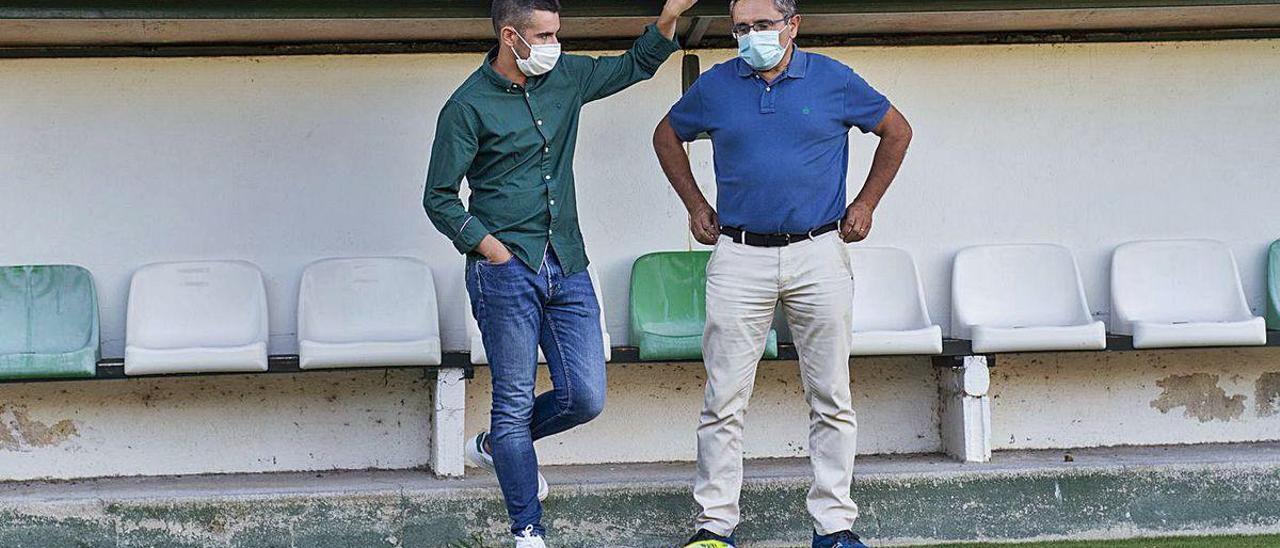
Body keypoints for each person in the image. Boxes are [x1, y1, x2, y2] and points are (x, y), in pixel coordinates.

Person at [422, 0, 697, 546]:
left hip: (567, 261)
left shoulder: (566, 76)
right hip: (505, 271)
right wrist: (491, 248)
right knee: (514, 401)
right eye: (544, 35)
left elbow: (633, 65)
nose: (555, 45)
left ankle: (501, 447)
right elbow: (439, 199)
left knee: (585, 396)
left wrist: (667, 18)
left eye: (557, 34)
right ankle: (528, 529)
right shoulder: (467, 105)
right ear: (509, 36)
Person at [652, 0, 913, 546]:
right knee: (723, 399)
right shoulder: (719, 85)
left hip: (818, 251)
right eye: (741, 27)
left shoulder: (833, 79)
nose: (751, 36)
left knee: (831, 396)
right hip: (739, 254)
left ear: (793, 26)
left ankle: (834, 526)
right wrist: (695, 206)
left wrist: (865, 205)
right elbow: (666, 135)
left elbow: (897, 131)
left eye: (763, 25)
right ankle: (714, 527)